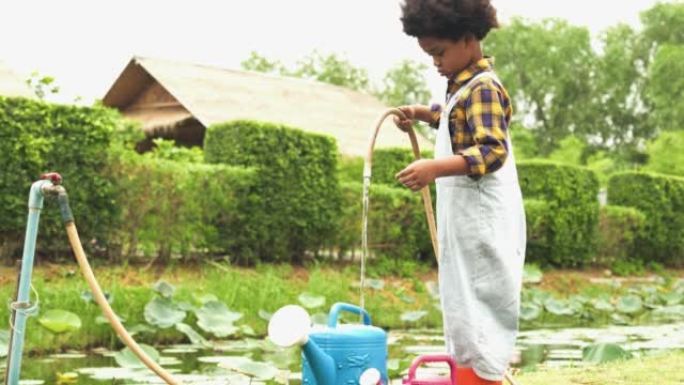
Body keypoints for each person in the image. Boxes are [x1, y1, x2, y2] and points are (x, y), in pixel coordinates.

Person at [394, 1, 526, 384]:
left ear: (469, 39)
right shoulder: (463, 86)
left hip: (483, 222)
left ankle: (482, 377)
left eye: (439, 52)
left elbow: (492, 150)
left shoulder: (484, 87)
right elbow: (453, 117)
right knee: (465, 307)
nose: (435, 62)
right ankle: (467, 375)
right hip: (466, 222)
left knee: (482, 305)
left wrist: (433, 169)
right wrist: (422, 113)